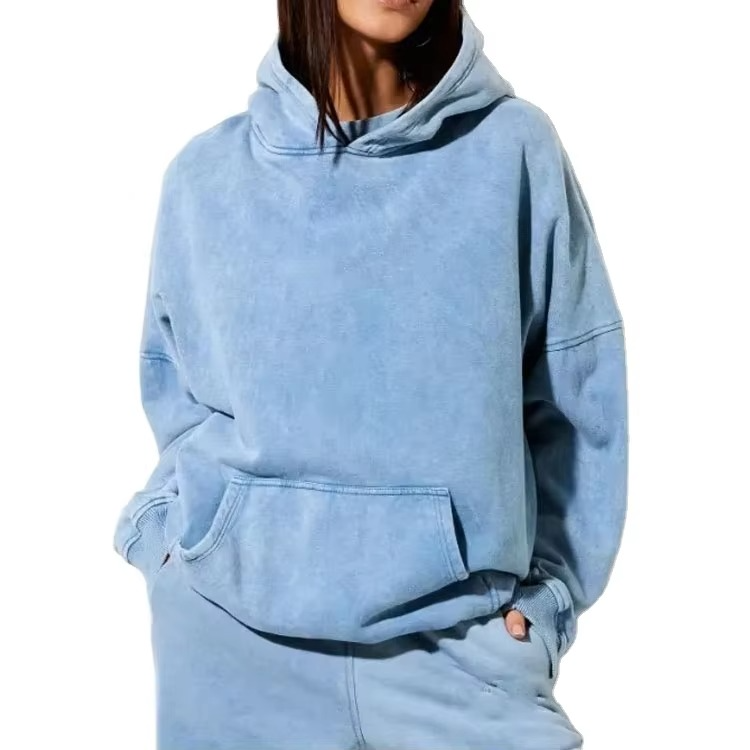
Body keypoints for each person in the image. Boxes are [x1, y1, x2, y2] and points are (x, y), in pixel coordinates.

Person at [112, 1, 628, 748]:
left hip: (458, 651)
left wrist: (550, 599)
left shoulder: (512, 151)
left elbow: (581, 404)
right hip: (234, 652)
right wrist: (162, 543)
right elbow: (179, 399)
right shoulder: (205, 177)